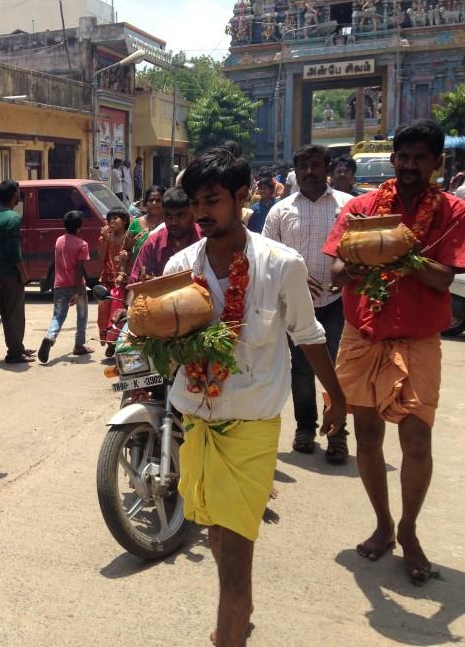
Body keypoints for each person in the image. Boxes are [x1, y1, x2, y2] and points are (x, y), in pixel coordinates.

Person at [165, 146, 347, 647]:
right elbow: (164, 334)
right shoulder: (182, 265)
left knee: (235, 560)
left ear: (242, 198)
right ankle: (237, 614)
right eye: (196, 202)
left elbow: (308, 335)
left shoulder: (280, 264)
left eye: (213, 201)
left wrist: (337, 397)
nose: (201, 213)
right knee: (216, 534)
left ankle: (231, 630)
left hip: (251, 427)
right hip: (196, 419)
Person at [324, 120, 465, 583]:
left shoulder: (453, 211)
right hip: (362, 333)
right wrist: (359, 263)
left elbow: (444, 277)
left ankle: (409, 529)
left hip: (417, 338)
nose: (408, 166)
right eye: (402, 157)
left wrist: (401, 253)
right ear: (393, 159)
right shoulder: (363, 209)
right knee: (366, 436)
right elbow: (339, 269)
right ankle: (383, 524)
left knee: (416, 439)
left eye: (419, 158)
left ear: (436, 163)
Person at [262, 145, 354, 462]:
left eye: (316, 165)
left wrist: (344, 274)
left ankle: (337, 435)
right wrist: (295, 281)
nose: (310, 171)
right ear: (296, 170)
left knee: (336, 369)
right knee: (301, 369)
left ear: (327, 168)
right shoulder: (280, 210)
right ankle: (304, 428)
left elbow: (361, 251)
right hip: (296, 307)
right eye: (303, 166)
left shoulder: (348, 206)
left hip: (337, 302)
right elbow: (267, 257)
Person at [0, 180, 34, 364]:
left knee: (6, 312)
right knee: (15, 313)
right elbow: (14, 251)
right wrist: (23, 272)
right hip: (10, 273)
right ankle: (14, 351)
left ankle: (16, 346)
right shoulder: (13, 218)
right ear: (14, 195)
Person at [38, 210, 92, 363]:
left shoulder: (59, 241)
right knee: (82, 315)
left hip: (60, 284)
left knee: (58, 316)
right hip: (77, 285)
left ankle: (50, 336)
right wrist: (76, 290)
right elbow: (79, 269)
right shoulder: (83, 244)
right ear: (80, 227)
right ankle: (79, 345)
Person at [128, 187, 200, 283]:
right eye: (168, 216)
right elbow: (135, 285)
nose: (174, 222)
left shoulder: (206, 239)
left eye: (180, 215)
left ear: (193, 213)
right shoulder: (153, 242)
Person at [97, 207, 131, 354]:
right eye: (109, 219)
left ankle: (118, 343)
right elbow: (101, 258)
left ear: (124, 221)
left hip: (125, 280)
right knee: (105, 311)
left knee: (121, 312)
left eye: (115, 218)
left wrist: (128, 255)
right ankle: (110, 343)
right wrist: (105, 240)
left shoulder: (130, 236)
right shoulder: (106, 236)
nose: (111, 221)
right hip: (108, 279)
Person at [129, 185, 165, 257]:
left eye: (158, 200)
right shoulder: (135, 224)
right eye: (151, 200)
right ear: (146, 203)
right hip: (139, 267)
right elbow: (127, 249)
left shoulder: (169, 223)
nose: (154, 203)